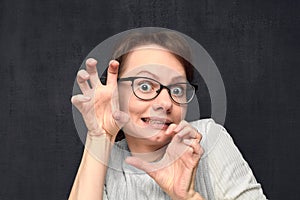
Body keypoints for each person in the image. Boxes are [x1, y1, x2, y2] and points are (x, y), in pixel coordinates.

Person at [69, 30, 267, 200]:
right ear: (116, 93)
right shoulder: (105, 159)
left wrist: (187, 196)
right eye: (145, 86)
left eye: (178, 89)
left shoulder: (207, 138)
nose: (166, 103)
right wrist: (99, 136)